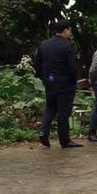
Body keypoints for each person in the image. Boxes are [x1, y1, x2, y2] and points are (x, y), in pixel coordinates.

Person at [33, 20, 83, 148]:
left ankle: (44, 131)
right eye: (70, 30)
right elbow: (72, 67)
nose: (70, 33)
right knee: (63, 112)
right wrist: (73, 81)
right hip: (65, 83)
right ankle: (64, 140)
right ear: (65, 30)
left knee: (50, 108)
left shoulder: (44, 45)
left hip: (49, 82)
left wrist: (42, 77)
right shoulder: (68, 45)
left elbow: (37, 63)